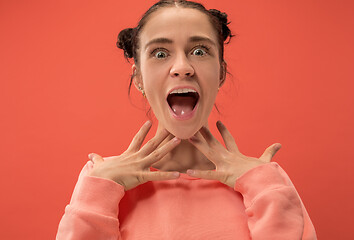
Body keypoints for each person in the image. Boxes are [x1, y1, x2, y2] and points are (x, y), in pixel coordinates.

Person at [56, 0, 317, 239]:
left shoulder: (266, 182)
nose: (182, 67)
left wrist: (263, 188)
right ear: (138, 78)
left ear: (221, 73)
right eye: (160, 53)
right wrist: (98, 194)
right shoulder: (103, 180)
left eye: (200, 51)